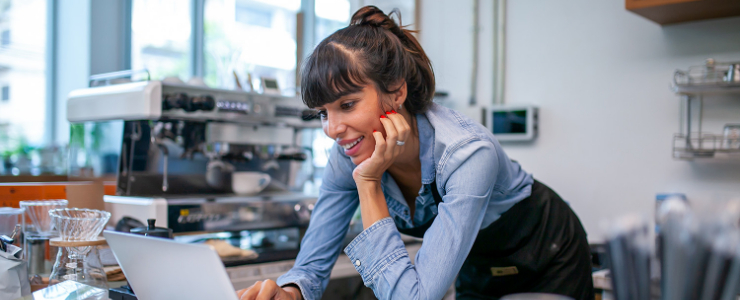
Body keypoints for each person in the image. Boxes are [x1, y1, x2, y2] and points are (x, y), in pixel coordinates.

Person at [237, 6, 594, 300]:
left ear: (396, 92)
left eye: (347, 104)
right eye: (323, 113)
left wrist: (369, 182)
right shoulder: (346, 153)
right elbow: (310, 268)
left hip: (546, 253)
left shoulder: (467, 155)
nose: (332, 129)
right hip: (476, 261)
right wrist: (289, 291)